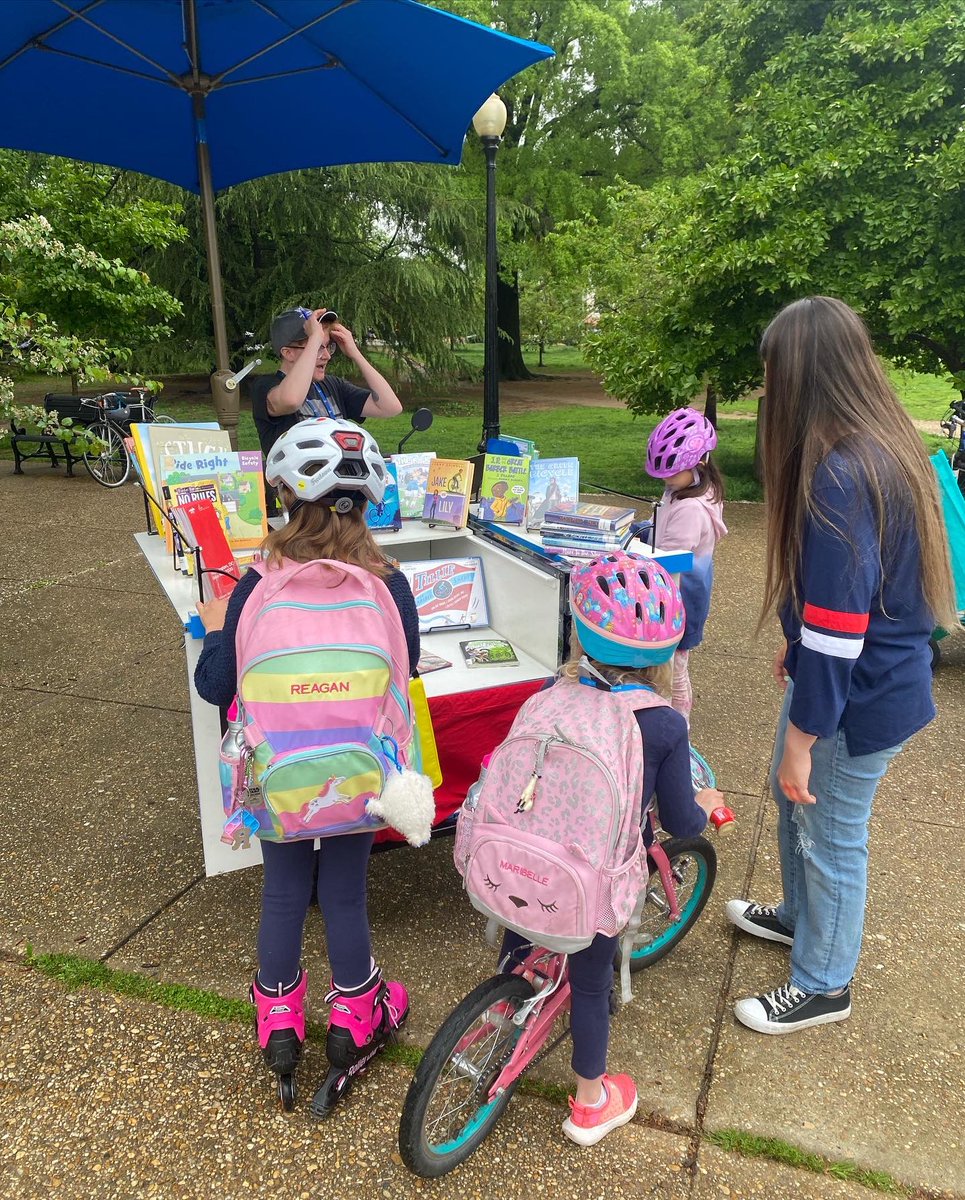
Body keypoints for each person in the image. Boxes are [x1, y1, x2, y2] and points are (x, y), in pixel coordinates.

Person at [727, 296, 957, 1035]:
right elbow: (835, 607)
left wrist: (803, 732)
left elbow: (838, 632)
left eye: (770, 372)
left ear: (801, 373)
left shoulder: (844, 472)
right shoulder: (873, 448)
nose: (764, 388)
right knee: (790, 797)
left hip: (859, 700)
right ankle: (802, 920)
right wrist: (793, 649)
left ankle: (825, 982)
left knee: (828, 831)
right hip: (851, 682)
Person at [193, 418, 421, 1101]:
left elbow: (216, 688)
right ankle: (355, 1014)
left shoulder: (257, 584)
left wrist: (212, 628)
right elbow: (403, 677)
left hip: (272, 774)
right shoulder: (392, 583)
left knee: (285, 893)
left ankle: (280, 1017)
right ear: (370, 495)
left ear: (287, 492)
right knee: (345, 893)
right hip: (359, 770)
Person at [498, 553, 724, 1146]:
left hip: (517, 858)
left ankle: (506, 999)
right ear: (665, 654)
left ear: (579, 634)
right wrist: (705, 807)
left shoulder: (550, 694)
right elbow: (678, 819)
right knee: (591, 984)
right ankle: (592, 1104)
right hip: (588, 884)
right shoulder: (664, 727)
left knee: (525, 925)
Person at [645, 407, 727, 726]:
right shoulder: (684, 490)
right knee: (677, 667)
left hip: (681, 599)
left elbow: (669, 558)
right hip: (683, 595)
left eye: (671, 472)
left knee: (672, 672)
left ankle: (677, 729)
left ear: (700, 463)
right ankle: (675, 723)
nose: (666, 479)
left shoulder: (691, 507)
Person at [251, 306, 403, 463]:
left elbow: (390, 407)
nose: (327, 356)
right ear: (288, 353)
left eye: (328, 346)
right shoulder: (266, 386)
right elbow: (291, 400)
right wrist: (314, 339)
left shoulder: (332, 385)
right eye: (317, 348)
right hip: (297, 484)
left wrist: (355, 353)